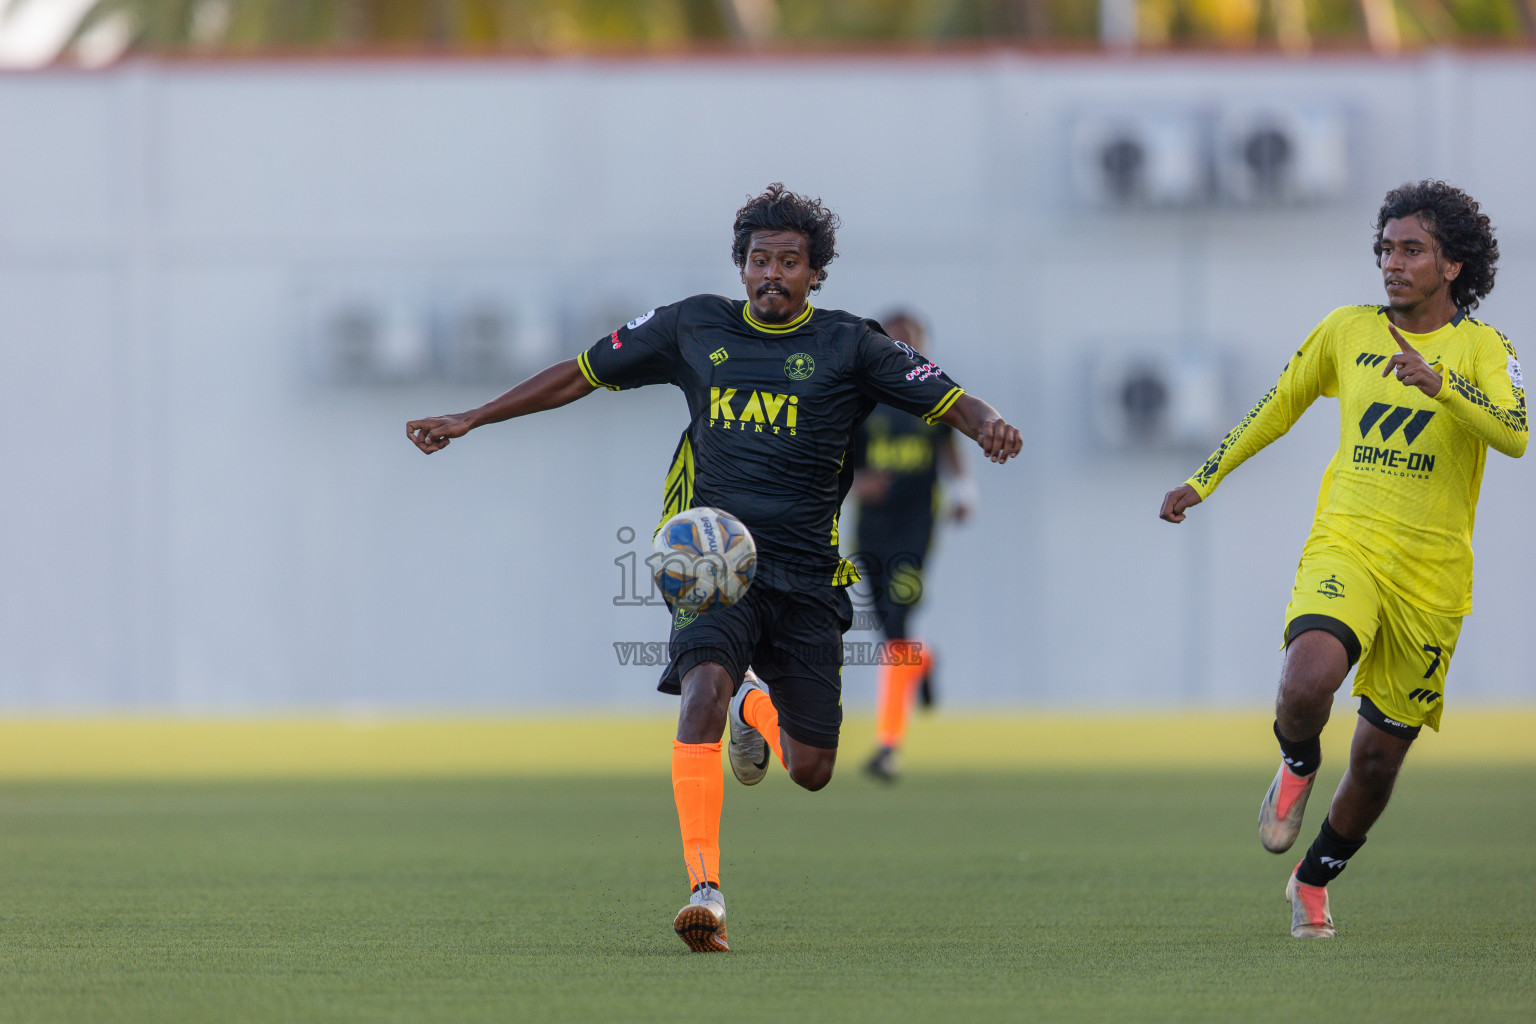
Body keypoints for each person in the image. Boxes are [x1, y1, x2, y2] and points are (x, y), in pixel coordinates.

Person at [407, 184, 1022, 953]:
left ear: (815, 273)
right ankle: (705, 890)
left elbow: (944, 395)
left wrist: (988, 421)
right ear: (740, 266)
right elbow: (580, 373)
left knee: (814, 768)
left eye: (790, 262)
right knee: (700, 692)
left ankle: (756, 711)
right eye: (760, 259)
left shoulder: (851, 345)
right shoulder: (693, 326)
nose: (773, 274)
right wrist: (472, 417)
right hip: (714, 559)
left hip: (807, 577)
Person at [1159, 180, 1524, 938]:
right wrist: (1205, 477)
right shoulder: (1347, 331)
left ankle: (1314, 878)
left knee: (1379, 762)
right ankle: (1295, 764)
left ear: (1452, 265)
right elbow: (1277, 404)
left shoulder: (1485, 349)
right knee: (1306, 682)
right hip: (1348, 544)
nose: (1392, 263)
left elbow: (1515, 433)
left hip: (1430, 577)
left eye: (1411, 249)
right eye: (1386, 248)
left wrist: (1442, 384)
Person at [847, 311, 975, 782]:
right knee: (890, 633)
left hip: (914, 530)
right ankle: (924, 659)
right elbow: (838, 455)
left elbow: (951, 447)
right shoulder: (862, 399)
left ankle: (888, 746)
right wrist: (858, 482)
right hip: (870, 532)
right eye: (896, 343)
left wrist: (964, 494)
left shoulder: (933, 397)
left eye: (912, 343)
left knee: (897, 625)